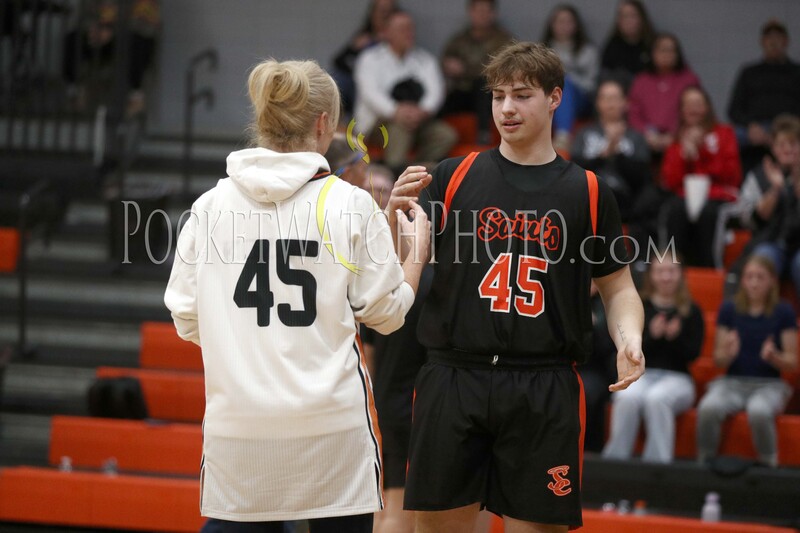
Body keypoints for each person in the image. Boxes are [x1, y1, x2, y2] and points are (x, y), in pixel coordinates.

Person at [386, 41, 645, 533]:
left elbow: (618, 288)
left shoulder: (587, 191)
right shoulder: (454, 175)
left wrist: (628, 336)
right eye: (498, 95)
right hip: (454, 374)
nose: (506, 107)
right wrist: (392, 216)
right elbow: (402, 266)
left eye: (522, 95)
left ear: (554, 98)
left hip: (543, 383)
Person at [164, 58, 430, 533]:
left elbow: (186, 319)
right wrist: (415, 258)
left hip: (239, 430)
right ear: (325, 123)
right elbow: (386, 316)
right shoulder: (350, 203)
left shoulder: (208, 207)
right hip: (331, 430)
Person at [696, 255, 798, 467]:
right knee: (708, 407)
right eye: (749, 277)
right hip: (732, 382)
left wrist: (774, 357)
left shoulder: (784, 312)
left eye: (760, 277)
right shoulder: (729, 309)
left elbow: (792, 362)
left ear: (772, 281)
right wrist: (729, 352)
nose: (754, 282)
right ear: (742, 280)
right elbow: (719, 360)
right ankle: (704, 462)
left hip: (769, 384)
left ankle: (769, 463)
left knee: (759, 411)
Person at [602, 255, 704, 463]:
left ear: (681, 275)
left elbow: (693, 354)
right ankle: (614, 465)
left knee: (657, 399)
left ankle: (656, 469)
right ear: (652, 276)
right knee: (626, 397)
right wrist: (652, 336)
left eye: (671, 271)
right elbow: (627, 348)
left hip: (678, 379)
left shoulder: (692, 311)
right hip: (642, 375)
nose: (666, 277)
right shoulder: (639, 307)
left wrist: (676, 339)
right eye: (660, 271)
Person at [354, 10, 457, 172]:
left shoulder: (425, 60)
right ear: (387, 32)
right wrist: (396, 111)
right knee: (400, 129)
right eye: (402, 29)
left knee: (445, 135)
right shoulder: (369, 59)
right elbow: (370, 94)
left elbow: (435, 92)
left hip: (419, 121)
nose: (409, 33)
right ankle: (393, 177)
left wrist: (421, 112)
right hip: (377, 123)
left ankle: (415, 172)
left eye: (410, 28)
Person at [661, 85, 742, 267]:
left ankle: (712, 272)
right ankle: (671, 270)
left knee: (708, 214)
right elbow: (670, 181)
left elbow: (732, 175)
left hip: (719, 197)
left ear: (707, 108)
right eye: (688, 104)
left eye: (698, 103)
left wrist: (702, 150)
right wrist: (684, 155)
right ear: (681, 111)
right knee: (673, 211)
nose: (693, 109)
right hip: (686, 197)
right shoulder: (676, 141)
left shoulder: (724, 133)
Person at [569, 79, 651, 225]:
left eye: (614, 98)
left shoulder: (636, 137)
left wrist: (617, 154)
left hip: (625, 200)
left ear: (625, 103)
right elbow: (574, 171)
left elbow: (642, 177)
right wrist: (604, 154)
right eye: (605, 98)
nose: (610, 103)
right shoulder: (584, 133)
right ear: (598, 103)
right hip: (590, 196)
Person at [735, 114, 800, 291]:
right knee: (760, 262)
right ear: (773, 148)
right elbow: (749, 219)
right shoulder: (758, 176)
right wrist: (776, 189)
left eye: (793, 144)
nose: (787, 150)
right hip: (770, 242)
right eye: (781, 145)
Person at [439, 0, 513, 145]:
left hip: (490, 93)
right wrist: (448, 66)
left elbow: (497, 69)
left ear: (493, 14)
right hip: (463, 91)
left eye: (486, 12)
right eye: (478, 11)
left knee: (482, 84)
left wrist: (464, 70)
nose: (482, 16)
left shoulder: (503, 40)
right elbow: (445, 61)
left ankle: (484, 134)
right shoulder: (459, 39)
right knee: (444, 100)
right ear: (470, 13)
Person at [728, 19, 800, 155]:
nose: (773, 42)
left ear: (786, 42)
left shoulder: (796, 72)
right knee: (727, 137)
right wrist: (751, 126)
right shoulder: (749, 72)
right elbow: (734, 110)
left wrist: (785, 128)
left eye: (778, 37)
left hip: (789, 127)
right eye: (769, 37)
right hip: (755, 128)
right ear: (762, 42)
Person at [627, 33, 701, 155]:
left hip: (680, 137)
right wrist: (647, 133)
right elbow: (633, 113)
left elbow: (696, 111)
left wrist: (674, 135)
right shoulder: (641, 81)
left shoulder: (689, 80)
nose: (666, 54)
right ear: (653, 53)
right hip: (645, 138)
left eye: (671, 50)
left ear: (678, 54)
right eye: (662, 50)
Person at [541, 4, 599, 150]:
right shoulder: (542, 52)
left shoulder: (588, 50)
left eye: (568, 22)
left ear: (576, 25)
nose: (564, 26)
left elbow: (591, 84)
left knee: (564, 83)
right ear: (552, 24)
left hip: (581, 98)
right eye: (560, 21)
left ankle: (563, 136)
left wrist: (569, 78)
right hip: (548, 97)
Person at [331, 0, 397, 117]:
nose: (385, 15)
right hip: (363, 82)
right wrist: (354, 49)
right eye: (381, 11)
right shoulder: (365, 37)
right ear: (372, 14)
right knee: (338, 79)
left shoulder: (397, 38)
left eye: (388, 11)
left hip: (388, 82)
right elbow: (339, 61)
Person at [600, 0, 656, 89]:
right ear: (618, 21)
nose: (628, 21)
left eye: (633, 16)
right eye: (624, 16)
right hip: (620, 96)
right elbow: (605, 78)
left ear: (642, 18)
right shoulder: (611, 46)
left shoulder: (653, 45)